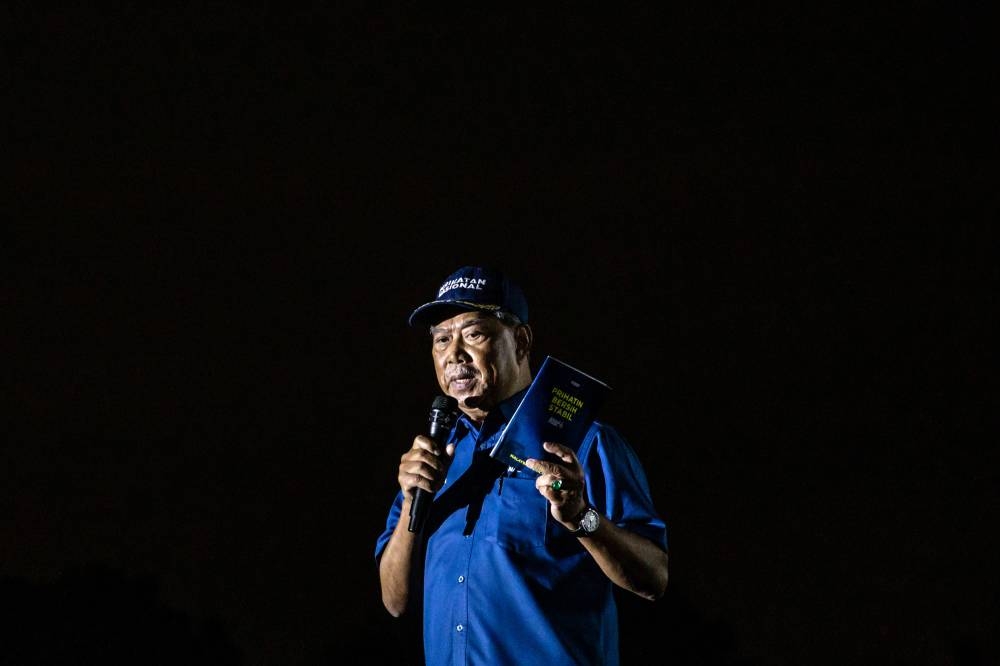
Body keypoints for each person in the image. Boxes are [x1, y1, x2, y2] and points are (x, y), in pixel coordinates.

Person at [375, 265, 669, 666]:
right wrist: (413, 500)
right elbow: (394, 602)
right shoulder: (433, 456)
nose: (454, 355)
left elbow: (654, 579)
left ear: (521, 340)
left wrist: (582, 518)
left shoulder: (585, 442)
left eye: (474, 334)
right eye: (441, 340)